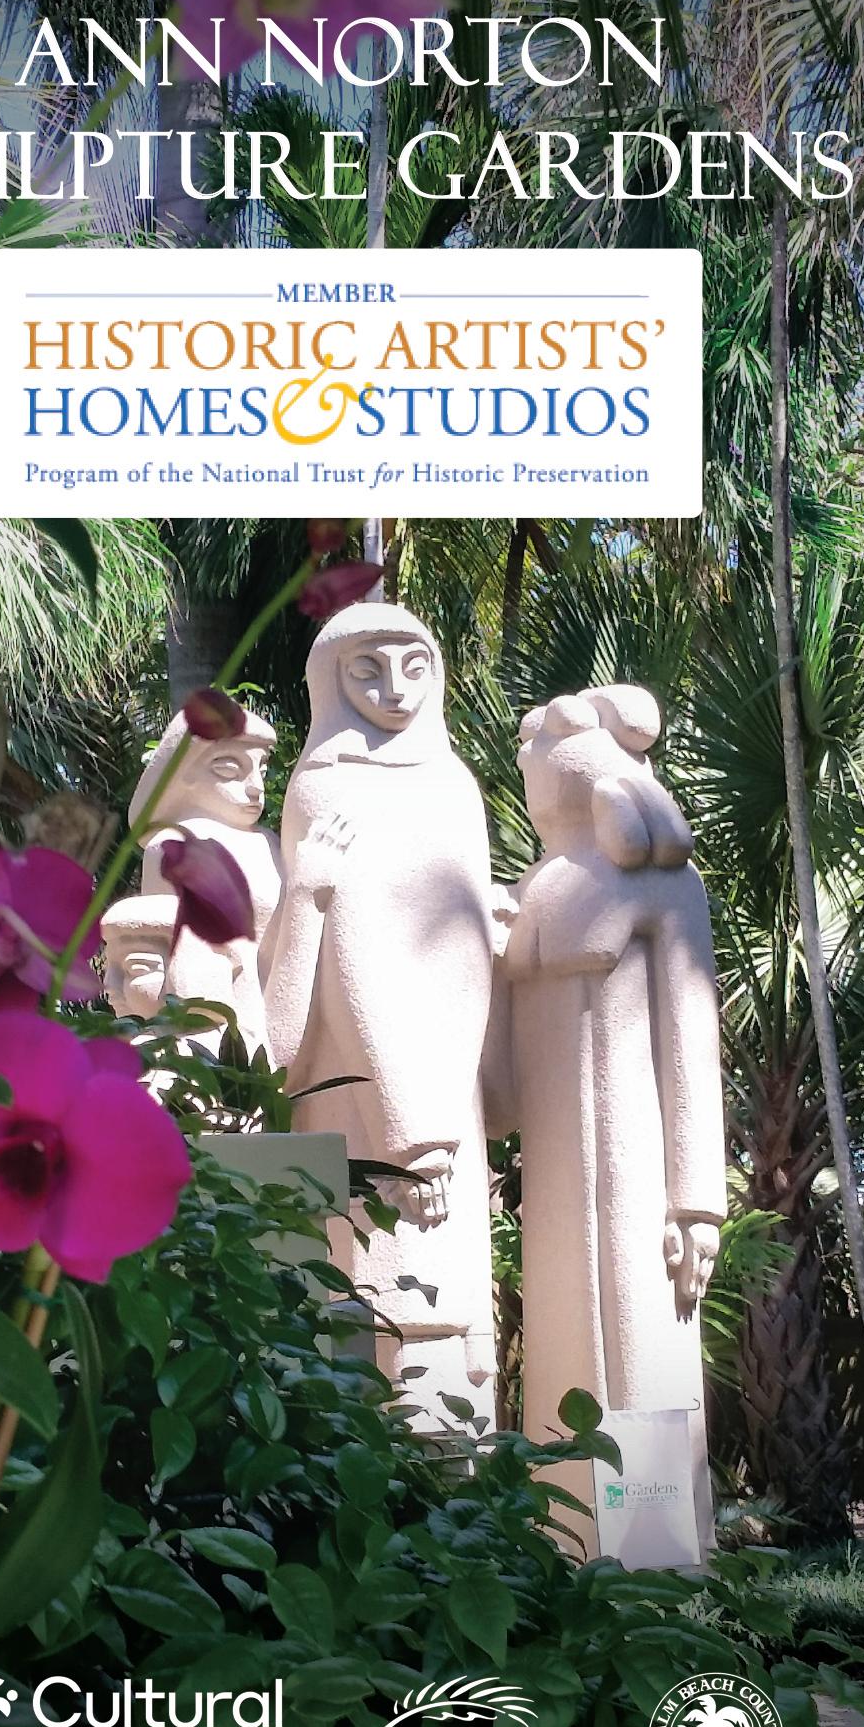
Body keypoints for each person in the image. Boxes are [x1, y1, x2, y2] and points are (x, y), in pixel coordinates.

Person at [495, 684, 727, 1548]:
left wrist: (696, 1200)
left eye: (539, 755)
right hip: (554, 1177)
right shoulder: (534, 885)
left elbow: (689, 1030)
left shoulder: (664, 879)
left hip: (638, 1171)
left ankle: (653, 1562)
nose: (528, 770)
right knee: (566, 1357)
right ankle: (565, 1544)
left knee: (639, 1358)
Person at [264, 602, 497, 1420]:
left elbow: (469, 949)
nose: (395, 687)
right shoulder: (325, 785)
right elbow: (350, 954)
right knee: (367, 1301)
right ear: (331, 678)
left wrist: (447, 1118)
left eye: (413, 665)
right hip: (363, 1087)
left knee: (446, 1318)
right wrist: (409, 1133)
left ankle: (458, 1482)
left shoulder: (455, 785)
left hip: (446, 1084)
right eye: (368, 669)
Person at [127, 705, 282, 1059]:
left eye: (261, 769)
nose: (256, 788)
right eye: (229, 769)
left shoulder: (270, 843)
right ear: (185, 773)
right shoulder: (175, 845)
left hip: (283, 1005)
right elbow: (179, 954)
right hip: (218, 1023)